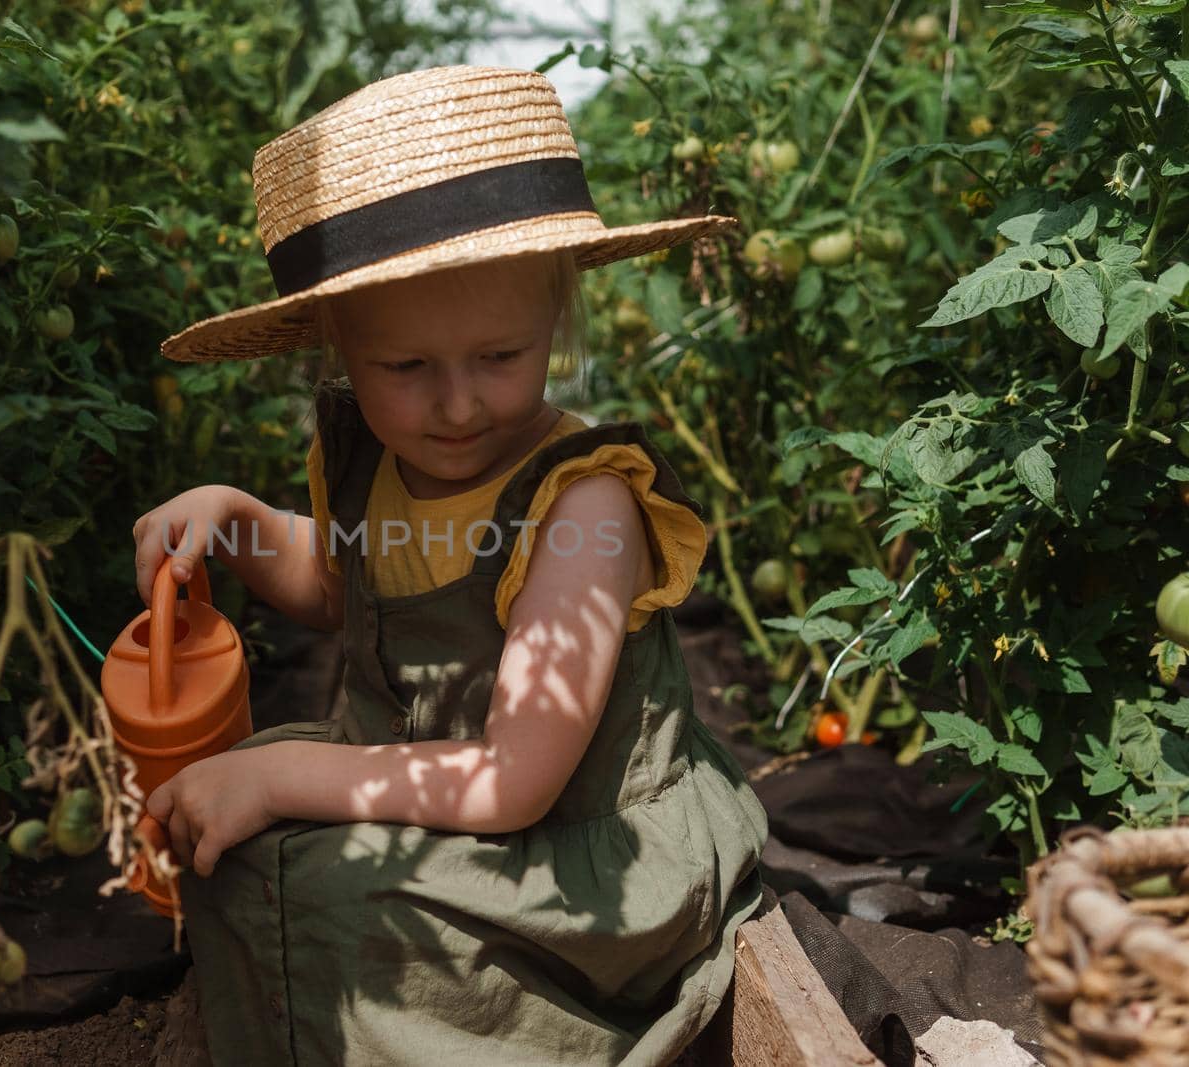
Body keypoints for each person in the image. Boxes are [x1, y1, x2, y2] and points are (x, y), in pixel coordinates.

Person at [129, 65, 769, 1066]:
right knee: (232, 819)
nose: (461, 404)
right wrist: (237, 521)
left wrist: (292, 774)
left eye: (500, 356)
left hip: (570, 849)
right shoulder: (376, 463)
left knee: (304, 874)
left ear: (555, 320)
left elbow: (515, 781)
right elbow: (342, 588)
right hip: (442, 799)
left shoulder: (581, 505)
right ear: (339, 346)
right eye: (407, 369)